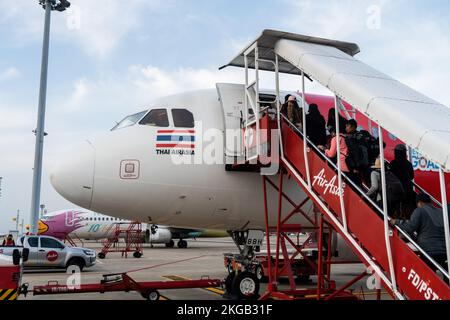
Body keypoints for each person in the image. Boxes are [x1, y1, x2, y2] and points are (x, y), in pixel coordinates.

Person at [393, 193, 449, 277]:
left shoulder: (420, 210)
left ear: (419, 202)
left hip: (428, 251)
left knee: (425, 277)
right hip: (444, 251)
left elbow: (410, 227)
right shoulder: (441, 211)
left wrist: (397, 222)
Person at [390, 144, 415, 215]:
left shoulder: (393, 163)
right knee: (407, 205)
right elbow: (412, 176)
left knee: (397, 206)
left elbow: (391, 176)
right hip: (408, 188)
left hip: (396, 188)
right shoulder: (408, 164)